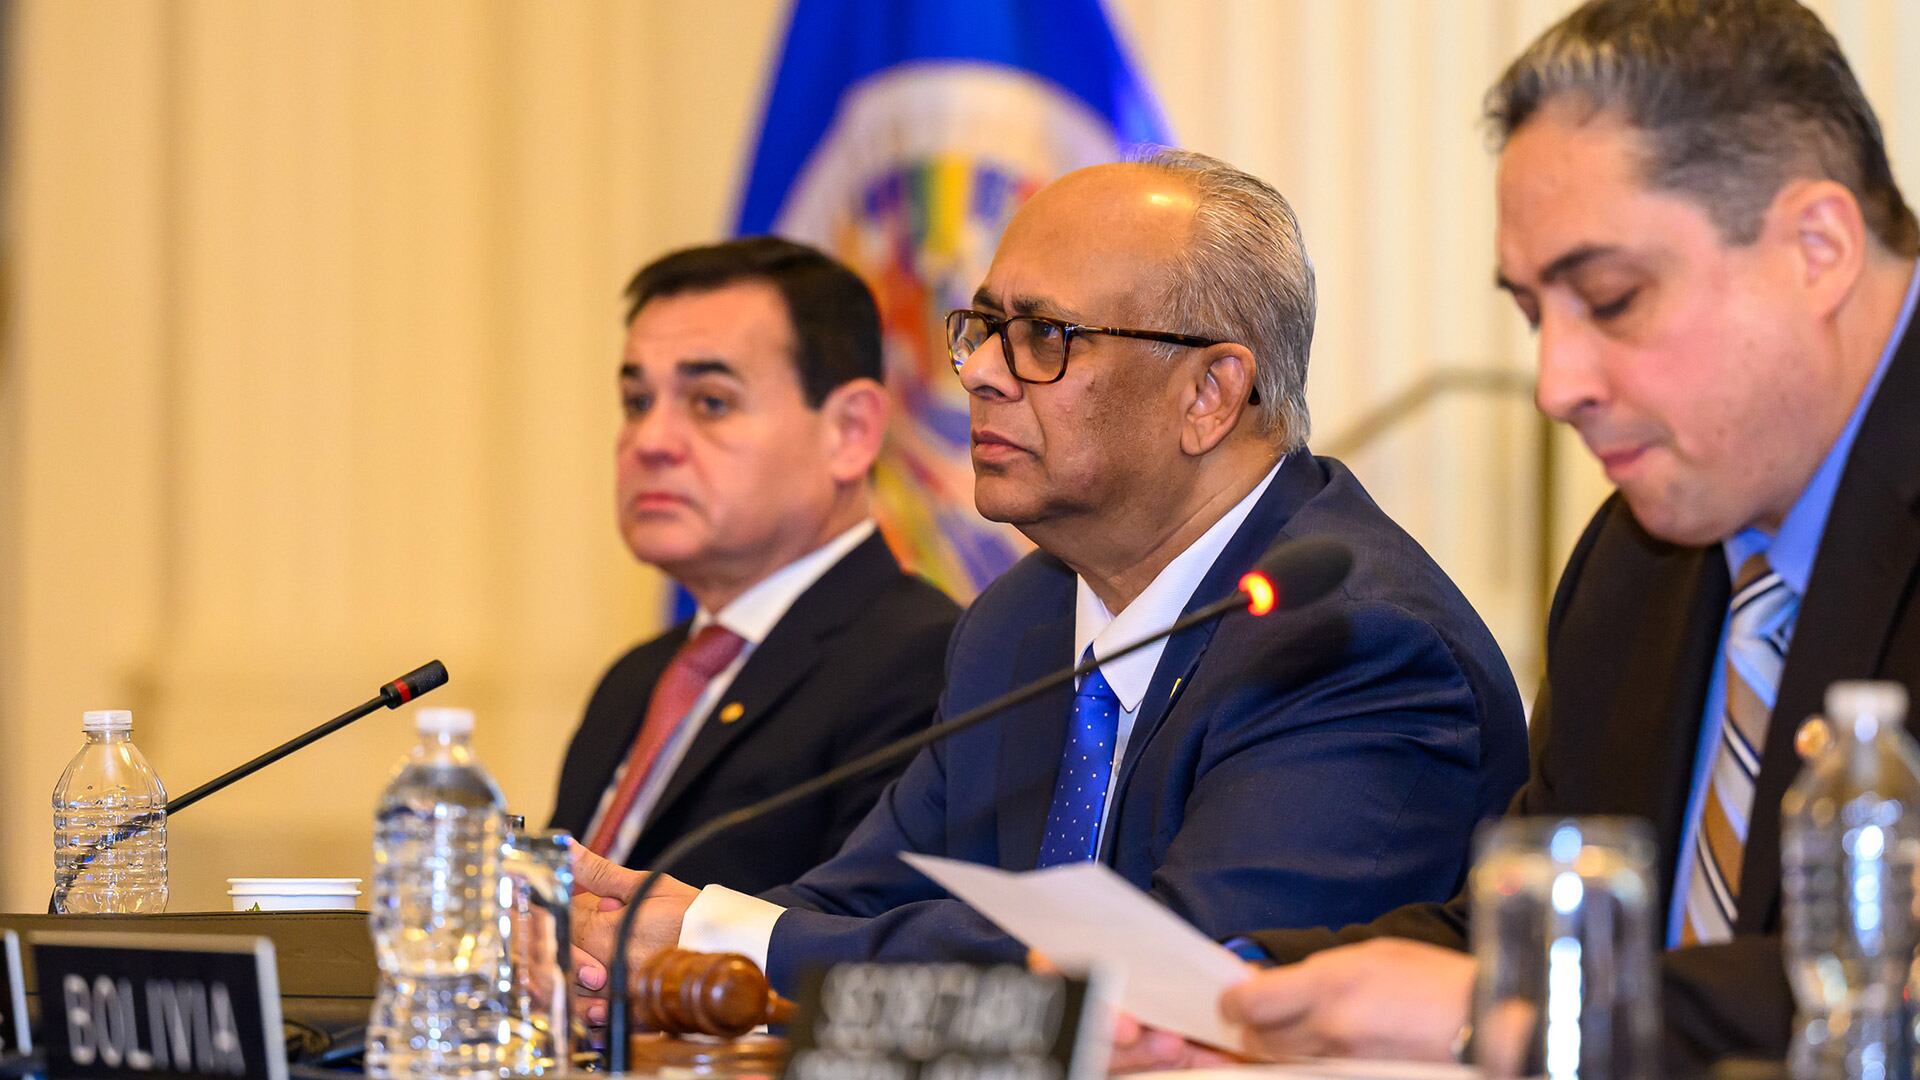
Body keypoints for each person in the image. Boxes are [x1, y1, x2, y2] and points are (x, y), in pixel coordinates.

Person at [1113, 1, 1920, 1074]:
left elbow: (1883, 997)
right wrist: (1242, 997)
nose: (1557, 387)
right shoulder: (1635, 562)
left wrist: (1503, 1011)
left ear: (1817, 248)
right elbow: (1513, 936)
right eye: (1538, 315)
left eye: (1612, 298)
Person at [569, 150, 1528, 1011]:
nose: (980, 372)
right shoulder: (1020, 619)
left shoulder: (1354, 643)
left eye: (1043, 335)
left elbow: (1179, 984)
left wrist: (732, 941)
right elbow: (868, 895)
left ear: (1210, 394)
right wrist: (652, 930)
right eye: (983, 325)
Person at [548, 237, 959, 896]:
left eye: (710, 401)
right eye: (636, 402)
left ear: (851, 431)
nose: (650, 442)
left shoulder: (926, 664)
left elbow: (852, 944)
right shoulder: (637, 680)